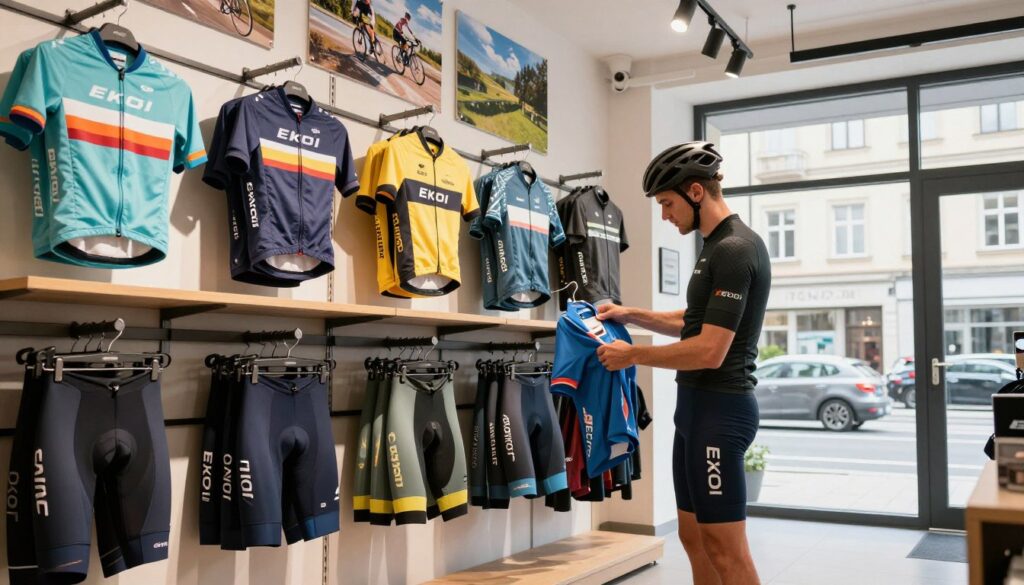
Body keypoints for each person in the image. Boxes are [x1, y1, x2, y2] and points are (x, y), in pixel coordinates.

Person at [595, 141, 771, 585]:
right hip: (695, 411)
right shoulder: (714, 248)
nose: (664, 215)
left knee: (726, 550)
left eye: (667, 203)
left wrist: (632, 353)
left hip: (721, 411)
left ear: (696, 192)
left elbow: (710, 349)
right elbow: (694, 322)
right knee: (694, 539)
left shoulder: (735, 249)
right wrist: (630, 314)